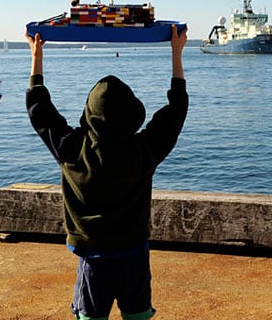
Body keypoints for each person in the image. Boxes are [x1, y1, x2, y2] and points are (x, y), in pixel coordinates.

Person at [25, 24, 188, 320]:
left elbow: (39, 110)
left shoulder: (72, 149)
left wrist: (37, 56)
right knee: (137, 315)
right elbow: (176, 111)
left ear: (89, 113)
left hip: (93, 256)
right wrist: (176, 53)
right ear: (133, 113)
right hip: (134, 254)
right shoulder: (144, 150)